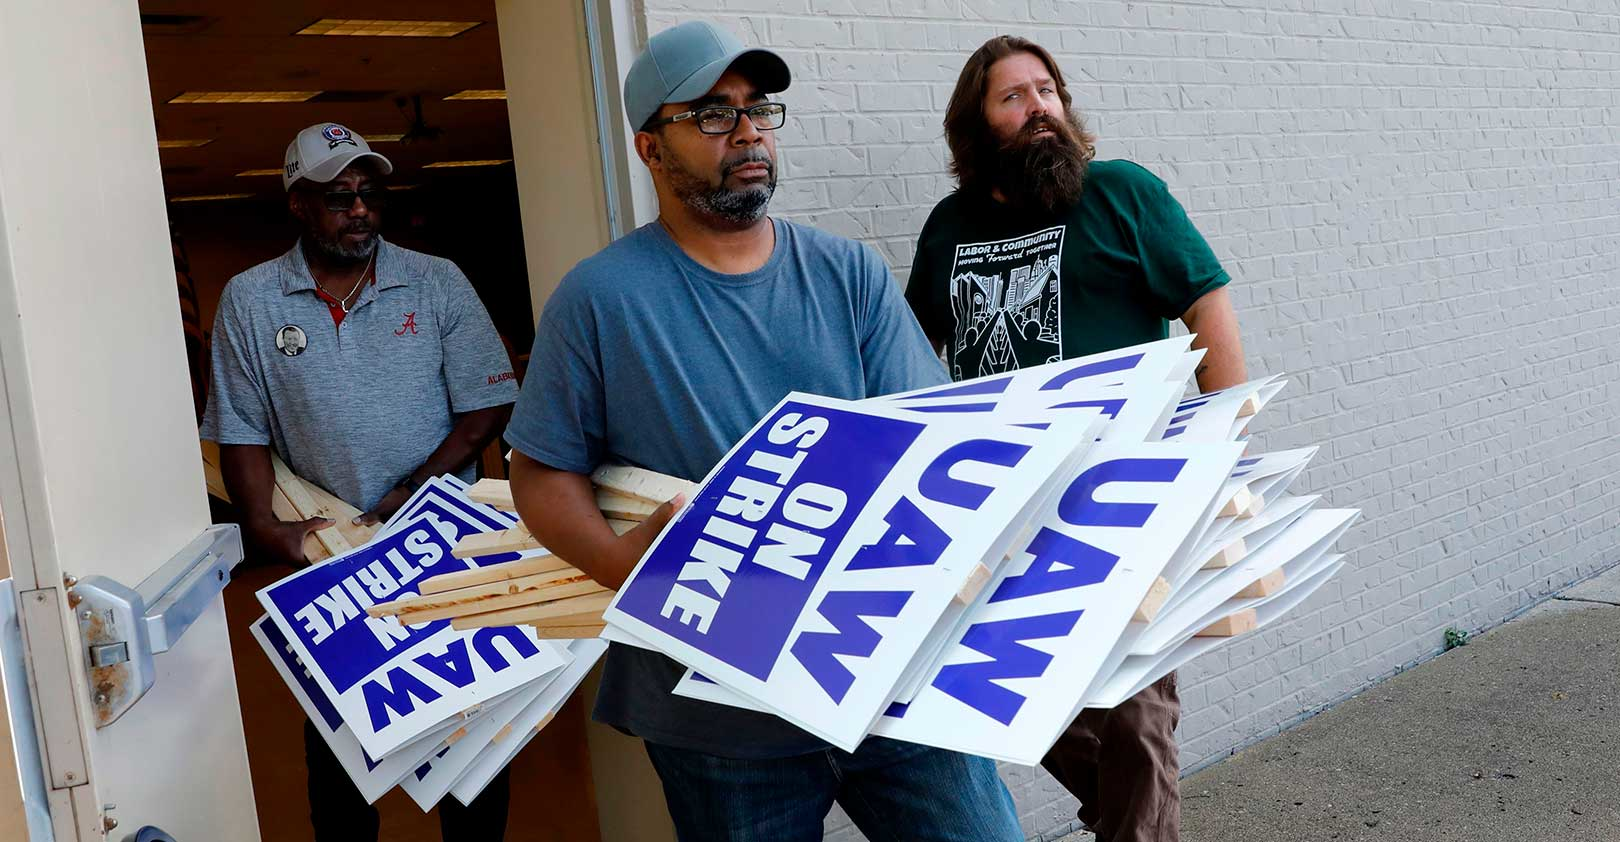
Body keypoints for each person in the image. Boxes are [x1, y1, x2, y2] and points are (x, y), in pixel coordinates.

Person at [504, 21, 1025, 842]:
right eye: (712, 114)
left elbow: (926, 436)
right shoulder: (600, 299)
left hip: (881, 673)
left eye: (758, 109)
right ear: (650, 147)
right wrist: (614, 562)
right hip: (718, 714)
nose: (747, 131)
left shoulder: (846, 272)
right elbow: (539, 472)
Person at [904, 35, 1250, 842]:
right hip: (1001, 503)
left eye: (1047, 91)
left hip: (1123, 494)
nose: (1039, 111)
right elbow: (915, 356)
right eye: (1013, 98)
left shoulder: (1123, 193)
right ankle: (1132, 820)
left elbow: (1208, 309)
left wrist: (1224, 447)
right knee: (1017, 693)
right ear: (976, 125)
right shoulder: (948, 227)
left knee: (1134, 711)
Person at [200, 122, 518, 841]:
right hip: (331, 554)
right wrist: (264, 526)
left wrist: (417, 490)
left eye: (369, 193)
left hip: (440, 541)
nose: (359, 209)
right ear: (299, 205)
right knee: (342, 742)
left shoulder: (435, 281)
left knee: (469, 735)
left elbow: (486, 402)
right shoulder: (251, 302)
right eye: (337, 196)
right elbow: (240, 430)